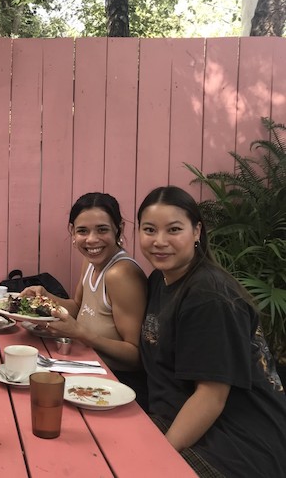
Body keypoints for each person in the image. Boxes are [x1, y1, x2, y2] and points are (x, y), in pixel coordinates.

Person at [137, 186, 286, 477]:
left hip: (236, 444)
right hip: (179, 418)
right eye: (149, 230)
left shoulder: (208, 297)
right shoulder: (160, 279)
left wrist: (157, 460)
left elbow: (210, 397)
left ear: (197, 232)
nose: (160, 241)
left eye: (174, 229)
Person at [21, 192, 148, 407]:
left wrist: (80, 333)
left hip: (118, 385)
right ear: (72, 232)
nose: (91, 240)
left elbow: (136, 356)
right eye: (82, 231)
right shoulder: (90, 261)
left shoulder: (120, 274)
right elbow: (79, 308)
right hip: (86, 370)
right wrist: (46, 297)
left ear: (119, 229)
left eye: (102, 229)